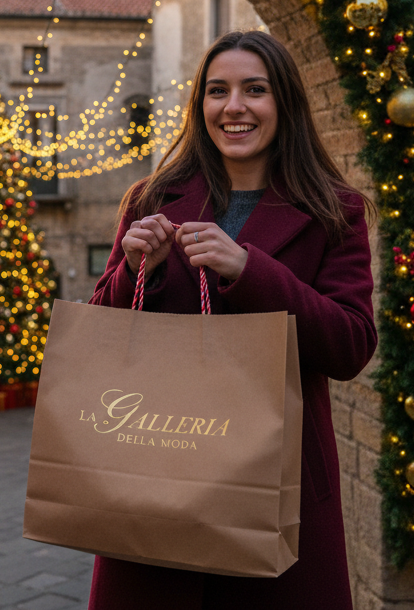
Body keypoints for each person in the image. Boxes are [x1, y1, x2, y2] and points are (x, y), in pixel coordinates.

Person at [87, 30, 376, 610]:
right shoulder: (151, 200)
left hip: (277, 489)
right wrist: (132, 270)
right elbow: (98, 337)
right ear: (200, 107)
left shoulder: (333, 210)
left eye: (255, 90)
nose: (234, 107)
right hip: (157, 481)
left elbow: (350, 346)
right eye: (217, 90)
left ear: (284, 103)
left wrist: (250, 270)